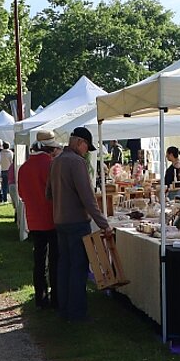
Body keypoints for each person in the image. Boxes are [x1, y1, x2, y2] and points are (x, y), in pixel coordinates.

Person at [46, 126, 111, 322]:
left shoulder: (56, 161)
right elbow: (88, 198)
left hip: (60, 221)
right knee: (78, 268)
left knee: (64, 266)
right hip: (76, 222)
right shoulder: (77, 162)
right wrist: (104, 224)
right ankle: (76, 313)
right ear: (79, 142)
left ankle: (64, 309)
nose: (86, 151)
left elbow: (48, 194)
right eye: (86, 147)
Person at [18, 131, 61, 308]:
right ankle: (56, 297)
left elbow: (21, 194)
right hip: (52, 217)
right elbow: (57, 192)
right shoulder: (50, 164)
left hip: (34, 219)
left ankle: (40, 298)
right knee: (55, 260)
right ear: (51, 148)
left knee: (39, 260)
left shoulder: (24, 167)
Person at [0, 137, 16, 204]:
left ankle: (5, 199)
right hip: (9, 170)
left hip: (3, 170)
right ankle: (12, 198)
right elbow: (12, 162)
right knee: (11, 184)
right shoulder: (10, 153)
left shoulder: (0, 153)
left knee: (4, 185)